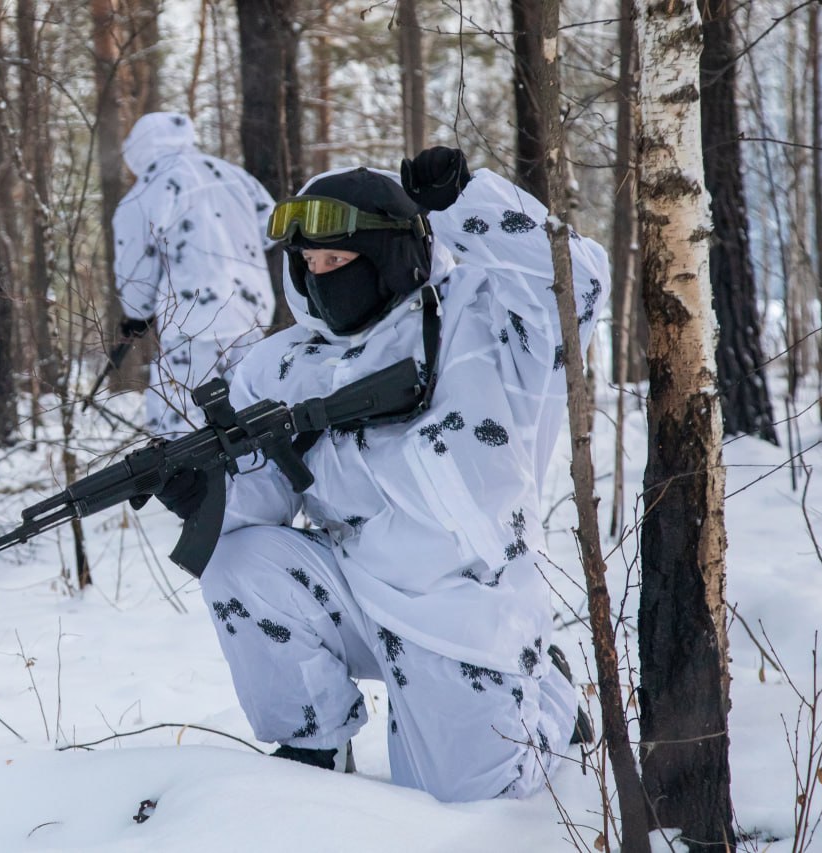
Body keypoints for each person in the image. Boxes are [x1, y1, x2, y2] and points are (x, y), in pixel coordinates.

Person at [156, 148, 605, 801]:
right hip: (356, 594)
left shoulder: (480, 320)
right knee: (239, 560)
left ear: (388, 257)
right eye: (307, 265)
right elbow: (263, 497)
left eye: (336, 263)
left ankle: (552, 704)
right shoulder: (280, 366)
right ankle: (314, 740)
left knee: (467, 806)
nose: (318, 279)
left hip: (466, 612)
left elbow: (578, 283)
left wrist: (466, 198)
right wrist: (204, 492)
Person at [111, 111, 277, 435]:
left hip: (193, 323)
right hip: (251, 314)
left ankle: (190, 483)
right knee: (254, 413)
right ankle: (259, 479)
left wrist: (136, 313)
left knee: (181, 419)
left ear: (139, 150)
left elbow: (135, 266)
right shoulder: (230, 174)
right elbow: (271, 227)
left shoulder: (147, 192)